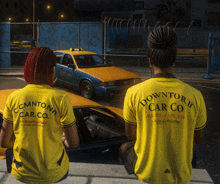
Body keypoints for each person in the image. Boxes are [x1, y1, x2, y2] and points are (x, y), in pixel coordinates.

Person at [119, 26, 207, 184]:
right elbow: (197, 139)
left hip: (147, 174)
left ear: (149, 60)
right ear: (174, 59)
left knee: (123, 147)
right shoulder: (195, 96)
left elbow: (131, 135)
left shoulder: (133, 93)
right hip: (180, 175)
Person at [0, 47, 79, 184]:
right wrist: (62, 139)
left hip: (21, 171)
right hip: (54, 173)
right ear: (53, 70)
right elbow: (73, 144)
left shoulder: (13, 98)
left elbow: (4, 142)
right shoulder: (61, 98)